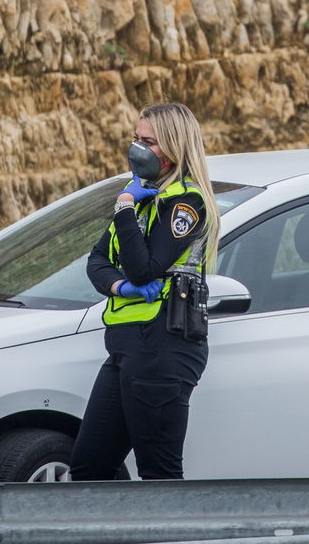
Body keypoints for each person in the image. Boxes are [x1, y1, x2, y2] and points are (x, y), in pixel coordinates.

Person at [69, 101, 221, 481]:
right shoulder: (140, 196)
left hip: (163, 347)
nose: (138, 149)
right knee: (89, 466)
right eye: (136, 139)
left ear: (173, 147)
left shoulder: (187, 202)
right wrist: (121, 287)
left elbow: (145, 268)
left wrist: (123, 208)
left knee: (159, 473)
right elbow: (97, 261)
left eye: (149, 142)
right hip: (124, 347)